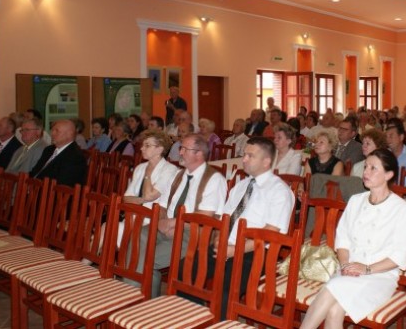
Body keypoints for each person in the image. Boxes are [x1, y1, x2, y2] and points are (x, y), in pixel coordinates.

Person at [300, 149, 406, 327]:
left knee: (332, 294)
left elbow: (400, 255)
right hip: (348, 269)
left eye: (373, 168)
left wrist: (366, 269)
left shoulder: (402, 209)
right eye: (366, 166)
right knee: (334, 310)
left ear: (389, 175)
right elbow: (343, 239)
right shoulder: (356, 200)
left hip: (379, 276)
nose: (366, 172)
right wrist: (345, 265)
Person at [185, 137, 293, 319]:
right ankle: (197, 318)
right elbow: (225, 218)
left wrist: (235, 250)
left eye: (250, 156)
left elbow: (270, 233)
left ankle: (218, 322)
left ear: (266, 161)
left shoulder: (279, 191)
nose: (244, 159)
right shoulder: (241, 185)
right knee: (185, 273)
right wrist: (218, 239)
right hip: (225, 245)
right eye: (244, 155)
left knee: (224, 293)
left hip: (255, 252)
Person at [132, 134, 226, 298]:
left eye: (184, 149)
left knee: (147, 258)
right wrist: (162, 222)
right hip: (167, 227)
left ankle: (138, 298)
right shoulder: (178, 175)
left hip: (193, 234)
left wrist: (175, 223)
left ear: (199, 154)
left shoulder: (214, 179)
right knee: (136, 240)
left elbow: (206, 216)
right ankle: (139, 295)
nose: (179, 152)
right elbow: (162, 205)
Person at [123, 129, 180, 210]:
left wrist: (147, 175)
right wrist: (142, 200)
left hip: (153, 215)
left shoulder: (169, 169)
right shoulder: (140, 167)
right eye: (142, 145)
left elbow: (149, 196)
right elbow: (126, 198)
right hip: (133, 213)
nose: (142, 148)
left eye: (147, 145)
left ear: (160, 149)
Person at [30, 120, 87, 187]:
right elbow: (35, 171)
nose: (52, 134)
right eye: (52, 130)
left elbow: (62, 184)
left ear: (69, 134)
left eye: (57, 131)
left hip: (50, 191)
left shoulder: (75, 157)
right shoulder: (48, 149)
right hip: (34, 187)